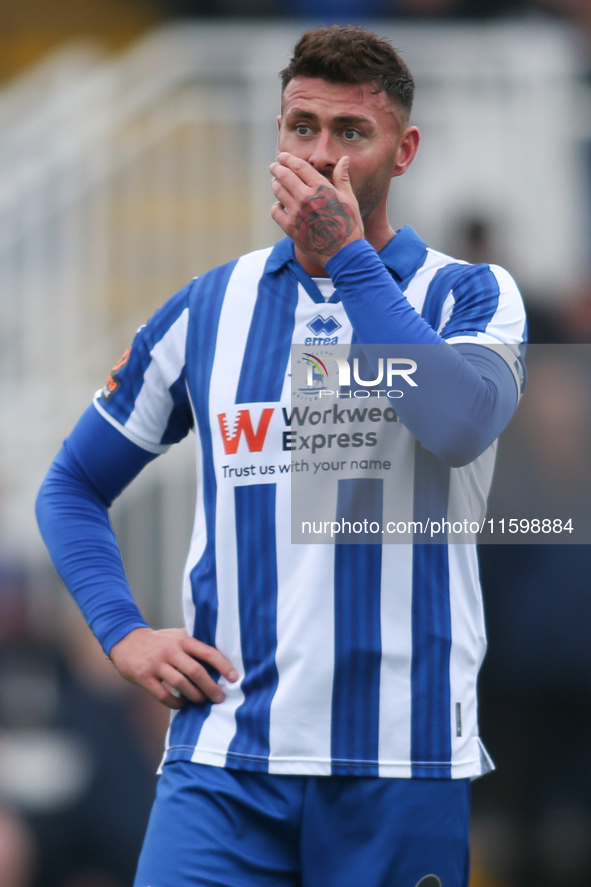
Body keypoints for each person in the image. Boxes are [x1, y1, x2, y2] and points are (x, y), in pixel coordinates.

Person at [36, 25, 526, 887]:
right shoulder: (208, 309)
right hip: (224, 763)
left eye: (350, 133)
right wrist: (123, 633)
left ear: (402, 151)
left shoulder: (467, 294)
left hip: (397, 767)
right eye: (301, 127)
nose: (321, 154)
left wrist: (348, 260)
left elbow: (457, 422)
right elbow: (71, 485)